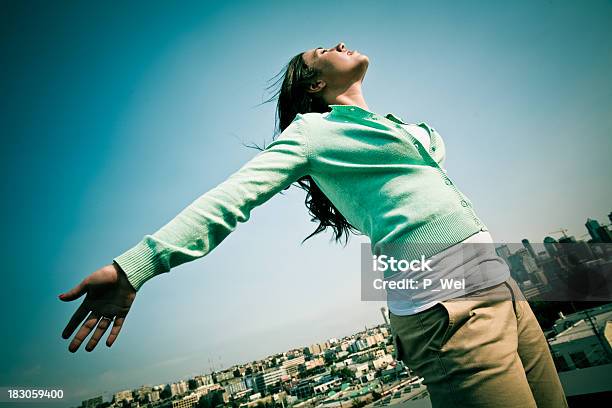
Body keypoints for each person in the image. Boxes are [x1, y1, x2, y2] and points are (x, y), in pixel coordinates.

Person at [60, 42, 568, 407]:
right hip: (447, 311)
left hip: (502, 291)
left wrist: (397, 127)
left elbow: (430, 145)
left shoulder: (391, 128)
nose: (339, 43)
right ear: (317, 83)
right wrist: (136, 267)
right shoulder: (311, 133)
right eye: (321, 50)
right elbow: (231, 198)